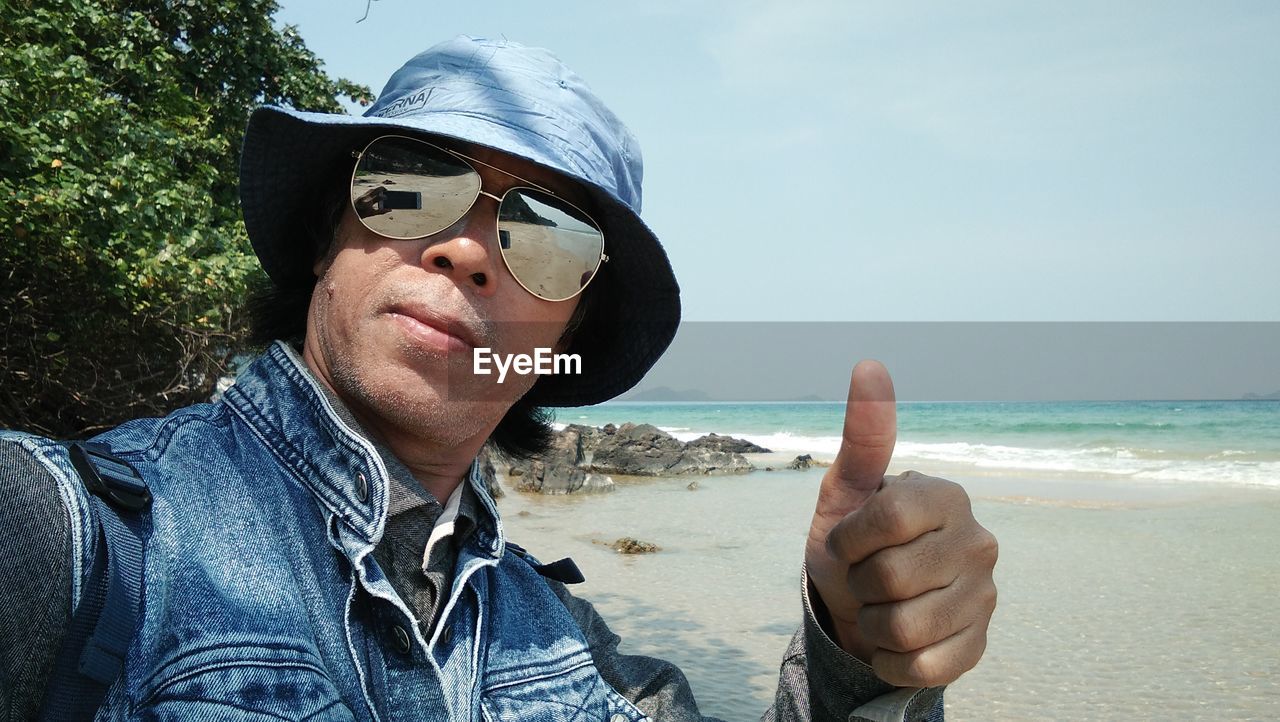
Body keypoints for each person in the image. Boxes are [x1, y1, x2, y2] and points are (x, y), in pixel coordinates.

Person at [0, 36, 997, 721]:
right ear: (324, 236)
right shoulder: (72, 542)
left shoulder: (585, 660)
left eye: (547, 239)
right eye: (411, 185)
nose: (470, 253)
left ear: (567, 326)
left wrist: (852, 660)